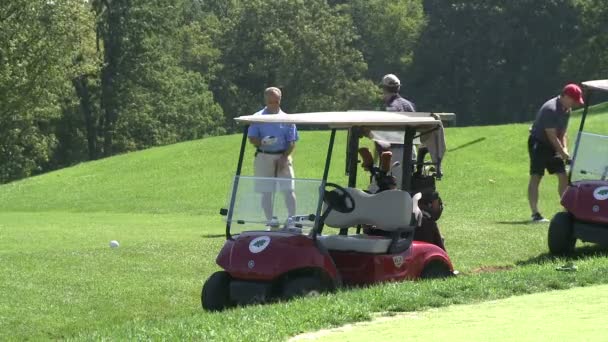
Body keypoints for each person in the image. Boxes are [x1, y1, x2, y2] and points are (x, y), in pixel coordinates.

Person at [528, 83, 584, 222]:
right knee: (536, 176)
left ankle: (568, 210)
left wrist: (565, 150)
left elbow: (562, 133)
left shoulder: (567, 110)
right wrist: (562, 153)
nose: (575, 104)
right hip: (539, 144)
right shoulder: (550, 109)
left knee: (563, 176)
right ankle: (535, 214)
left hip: (553, 145)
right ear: (565, 96)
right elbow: (551, 136)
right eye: (573, 100)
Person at [248, 87, 298, 228]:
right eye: (270, 102)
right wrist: (262, 141)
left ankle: (291, 220)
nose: (273, 104)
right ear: (266, 100)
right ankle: (271, 220)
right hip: (264, 156)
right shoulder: (258, 117)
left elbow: (292, 142)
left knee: (289, 189)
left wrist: (284, 157)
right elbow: (252, 138)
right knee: (266, 191)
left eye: (276, 101)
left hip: (283, 156)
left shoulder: (287, 119)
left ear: (280, 100)